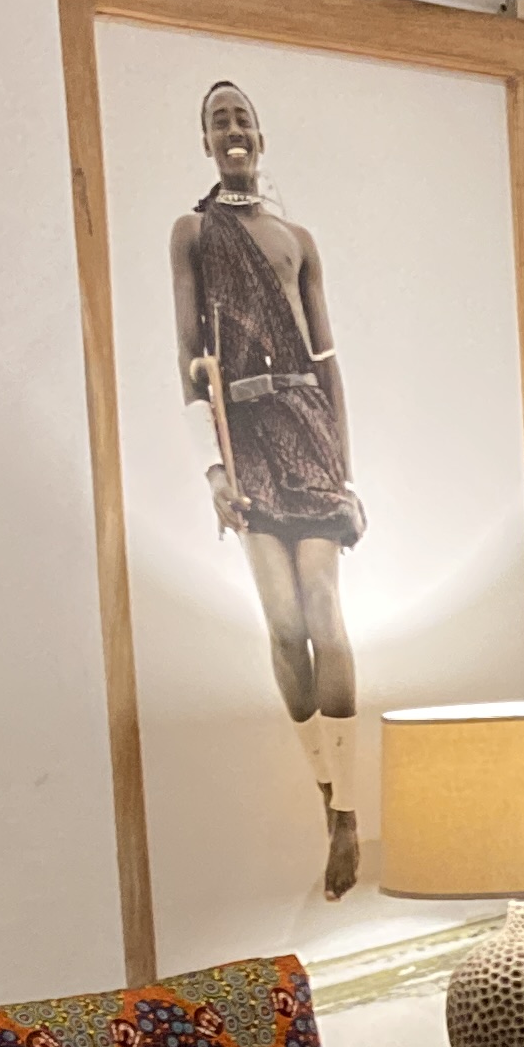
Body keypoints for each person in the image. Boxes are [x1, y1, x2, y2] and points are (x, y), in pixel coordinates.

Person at [168, 78, 366, 896]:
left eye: (243, 117)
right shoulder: (192, 233)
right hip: (243, 440)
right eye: (220, 121)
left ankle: (349, 811)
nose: (234, 130)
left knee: (322, 607)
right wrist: (213, 469)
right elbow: (187, 357)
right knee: (284, 626)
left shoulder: (298, 238)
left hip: (307, 429)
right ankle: (325, 790)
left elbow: (327, 362)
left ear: (261, 133)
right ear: (207, 141)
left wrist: (348, 475)